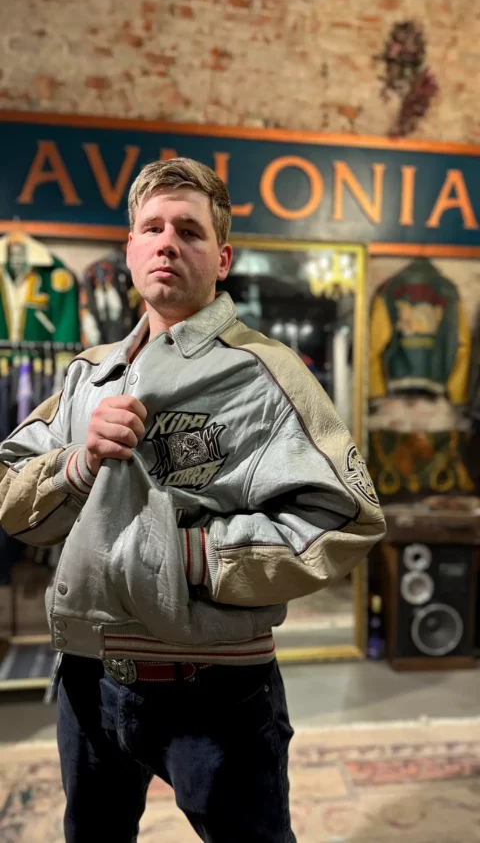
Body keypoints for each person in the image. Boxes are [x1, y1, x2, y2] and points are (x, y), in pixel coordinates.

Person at [0, 158, 386, 843]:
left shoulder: (268, 374)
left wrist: (191, 557)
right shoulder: (89, 375)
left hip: (214, 688)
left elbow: (347, 516)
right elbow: (9, 492)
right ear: (130, 249)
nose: (167, 243)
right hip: (87, 679)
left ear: (222, 258)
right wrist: (76, 463)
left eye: (189, 230)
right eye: (151, 228)